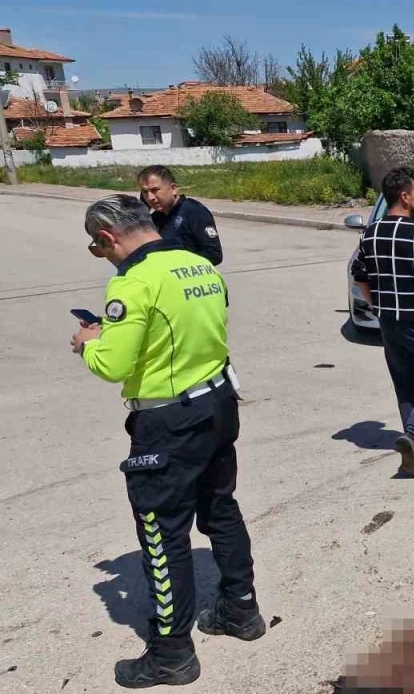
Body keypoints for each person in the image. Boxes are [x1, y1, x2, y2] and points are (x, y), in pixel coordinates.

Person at [71, 194, 264, 688]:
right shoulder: (198, 265)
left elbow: (113, 365)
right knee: (221, 508)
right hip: (217, 402)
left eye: (98, 247)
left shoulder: (133, 282)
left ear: (108, 237)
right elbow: (189, 327)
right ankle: (241, 609)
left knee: (162, 533)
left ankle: (171, 652)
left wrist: (89, 344)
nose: (102, 256)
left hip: (168, 420)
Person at [351, 168, 414, 477]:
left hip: (389, 324)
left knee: (405, 385)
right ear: (405, 196)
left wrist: (376, 305)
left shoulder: (370, 233)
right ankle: (412, 434)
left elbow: (359, 275)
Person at [138, 165, 223, 265]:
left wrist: (178, 266)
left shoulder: (193, 211)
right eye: (145, 192)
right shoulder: (154, 219)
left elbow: (213, 254)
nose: (150, 197)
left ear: (173, 189)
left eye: (155, 190)